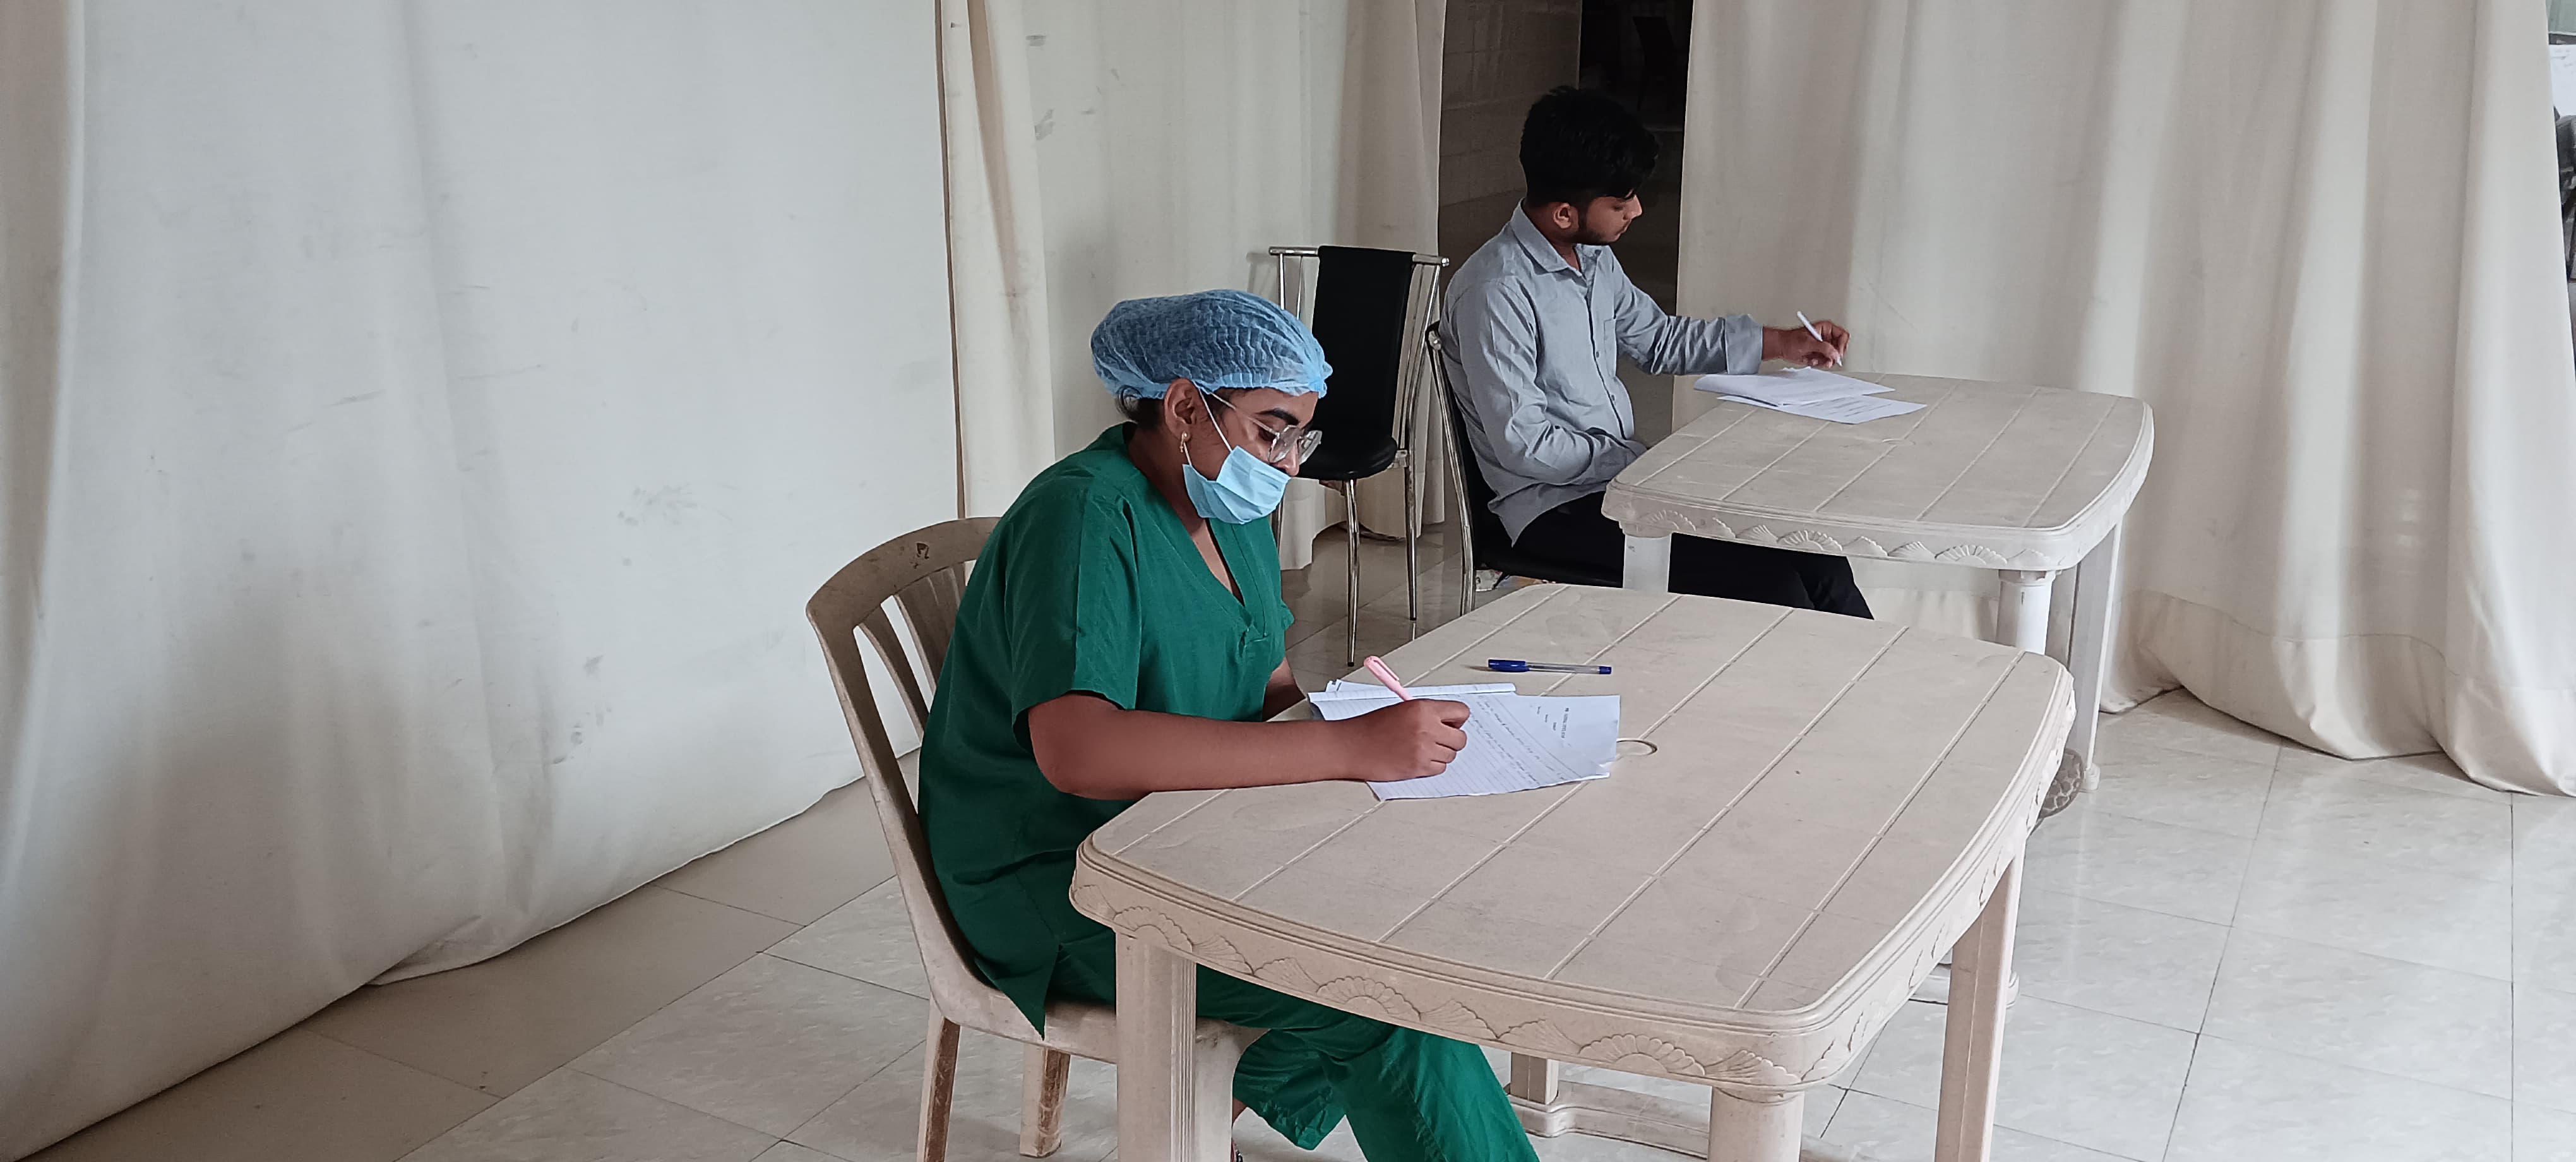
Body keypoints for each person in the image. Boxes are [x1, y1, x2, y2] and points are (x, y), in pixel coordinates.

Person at [917, 289, 1541, 1162]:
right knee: (1383, 997)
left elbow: (1267, 678)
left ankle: (1212, 1118)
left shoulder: (1228, 508)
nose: (1286, 464)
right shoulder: (1085, 516)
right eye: (1271, 431)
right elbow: (1078, 751)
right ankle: (1221, 1114)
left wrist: (1365, 729)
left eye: (1299, 439)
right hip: (1062, 874)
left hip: (1182, 829)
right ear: (1183, 406)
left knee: (1420, 924)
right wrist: (1342, 747)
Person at [1440, 87, 1873, 617]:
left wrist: (1782, 342)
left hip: (1621, 487)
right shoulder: (1496, 291)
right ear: (1564, 214)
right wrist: (1640, 463)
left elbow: (1659, 340)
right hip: (1552, 509)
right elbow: (1525, 446)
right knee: (1772, 585)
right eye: (1620, 203)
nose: (1637, 210)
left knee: (1814, 554)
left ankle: (1876, 673)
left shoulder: (1591, 257)